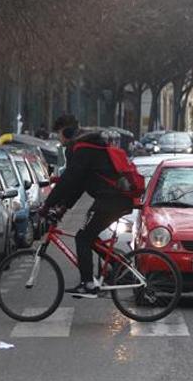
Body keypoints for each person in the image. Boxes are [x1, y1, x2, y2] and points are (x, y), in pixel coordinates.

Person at [38, 114, 132, 298]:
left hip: (111, 200)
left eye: (59, 133)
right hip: (113, 199)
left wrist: (48, 204)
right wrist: (63, 207)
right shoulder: (87, 147)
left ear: (67, 131)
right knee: (89, 238)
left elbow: (69, 180)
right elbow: (79, 185)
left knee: (82, 238)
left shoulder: (82, 149)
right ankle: (120, 266)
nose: (58, 138)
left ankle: (88, 283)